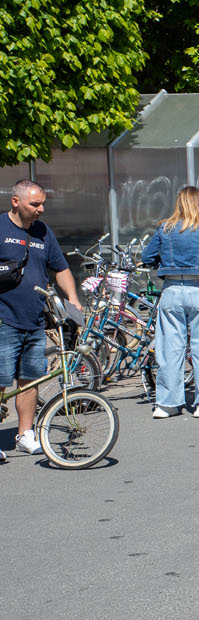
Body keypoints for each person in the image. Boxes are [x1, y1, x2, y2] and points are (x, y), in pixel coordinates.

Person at [0, 182, 83, 456]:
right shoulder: (1, 228)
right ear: (15, 202)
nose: (41, 209)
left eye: (42, 204)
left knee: (30, 380)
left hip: (35, 320)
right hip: (3, 319)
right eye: (34, 204)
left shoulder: (43, 232)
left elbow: (60, 268)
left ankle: (25, 433)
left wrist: (72, 298)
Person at [140, 187, 199, 419]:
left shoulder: (165, 227)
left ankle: (166, 404)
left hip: (171, 290)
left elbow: (147, 258)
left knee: (169, 349)